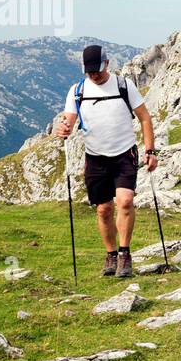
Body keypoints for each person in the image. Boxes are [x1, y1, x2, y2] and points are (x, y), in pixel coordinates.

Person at [54, 44, 158, 278]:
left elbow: (144, 118)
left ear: (107, 64)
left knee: (125, 201)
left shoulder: (123, 85)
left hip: (124, 154)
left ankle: (124, 253)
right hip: (95, 157)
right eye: (89, 71)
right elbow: (69, 119)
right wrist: (63, 128)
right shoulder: (77, 90)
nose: (94, 75)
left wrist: (150, 150)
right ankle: (110, 254)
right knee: (103, 209)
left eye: (98, 70)